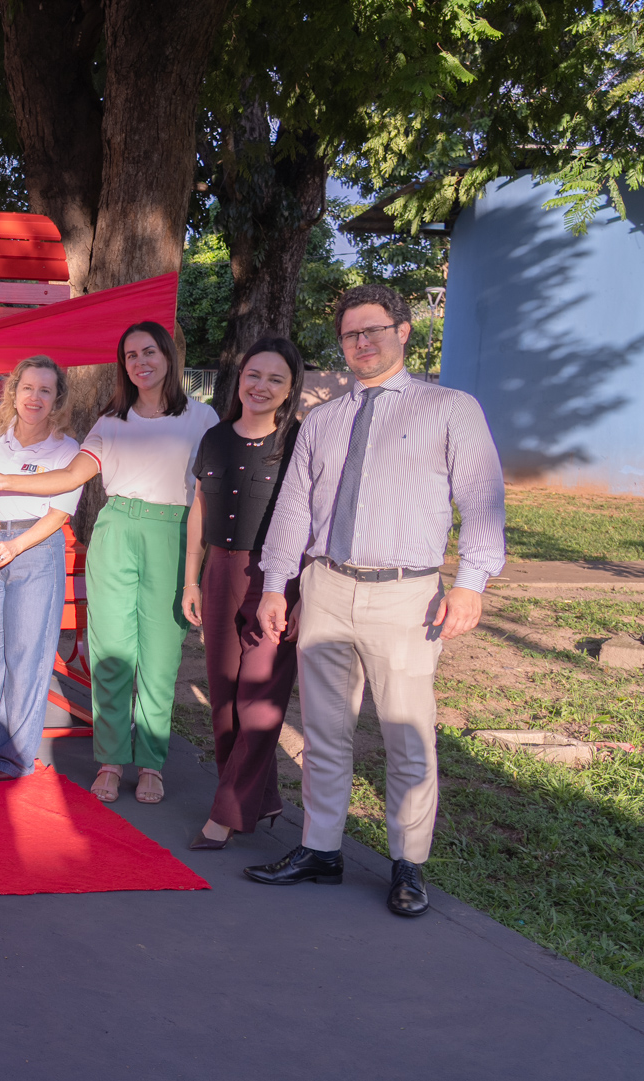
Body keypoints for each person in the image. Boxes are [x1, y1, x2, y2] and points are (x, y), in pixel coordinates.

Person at [245, 284, 505, 918]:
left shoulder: (451, 408)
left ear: (404, 331)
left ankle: (408, 865)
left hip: (406, 596)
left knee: (407, 735)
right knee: (325, 731)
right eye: (350, 335)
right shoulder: (324, 420)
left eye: (373, 331)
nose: (361, 344)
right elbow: (294, 510)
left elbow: (481, 497)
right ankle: (321, 849)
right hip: (327, 588)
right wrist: (278, 584)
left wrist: (473, 578)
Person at [0, 322, 218, 804]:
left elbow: (204, 500)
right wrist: (7, 482)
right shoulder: (112, 421)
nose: (140, 362)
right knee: (110, 653)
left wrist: (194, 575)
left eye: (149, 352)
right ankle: (110, 758)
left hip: (172, 533)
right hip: (116, 532)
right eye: (130, 355)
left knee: (160, 657)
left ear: (167, 356)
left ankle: (151, 763)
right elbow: (69, 475)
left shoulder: (202, 417)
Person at [181, 338, 305, 850]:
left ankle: (225, 815)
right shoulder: (214, 438)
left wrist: (303, 595)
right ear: (240, 377)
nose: (262, 386)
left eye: (276, 379)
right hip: (219, 574)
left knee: (259, 699)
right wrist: (191, 577)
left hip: (277, 579)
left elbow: (316, 519)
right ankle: (264, 797)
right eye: (255, 374)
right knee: (224, 698)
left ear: (290, 389)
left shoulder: (301, 441)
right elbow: (199, 509)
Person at [0, 357, 80, 781]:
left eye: (45, 391)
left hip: (31, 548)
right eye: (28, 388)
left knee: (26, 655)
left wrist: (15, 546)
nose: (35, 397)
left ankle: (14, 758)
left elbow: (59, 514)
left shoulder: (66, 450)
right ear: (14, 391)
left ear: (57, 400)